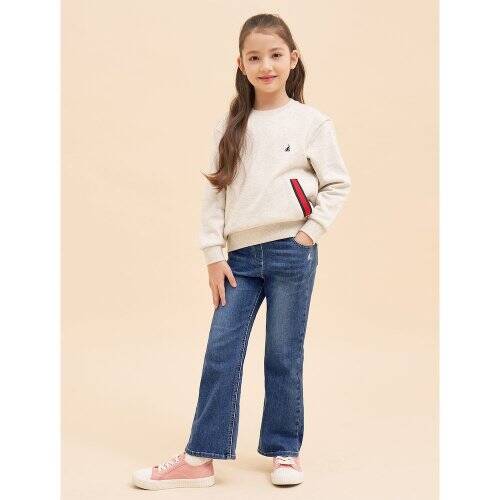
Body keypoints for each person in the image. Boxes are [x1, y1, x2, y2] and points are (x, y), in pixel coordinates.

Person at [133, 12, 351, 490]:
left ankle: (284, 450)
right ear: (240, 63)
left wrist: (308, 234)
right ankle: (199, 458)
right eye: (255, 57)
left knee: (283, 355)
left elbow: (337, 183)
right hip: (239, 261)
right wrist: (214, 255)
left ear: (293, 59)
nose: (266, 65)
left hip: (292, 253)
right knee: (221, 353)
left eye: (275, 55)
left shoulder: (312, 123)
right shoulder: (229, 126)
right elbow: (215, 193)